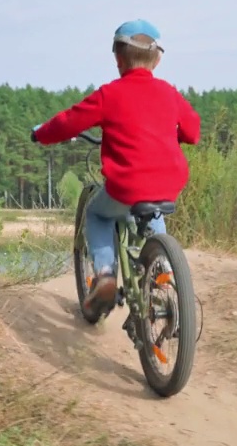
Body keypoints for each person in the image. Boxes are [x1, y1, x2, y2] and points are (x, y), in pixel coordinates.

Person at [31, 19, 200, 313]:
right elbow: (193, 132)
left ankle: (106, 275)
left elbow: (67, 122)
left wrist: (41, 133)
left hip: (126, 184)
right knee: (153, 205)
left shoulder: (110, 94)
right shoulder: (169, 93)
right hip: (171, 181)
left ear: (118, 59)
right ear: (157, 60)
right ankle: (162, 271)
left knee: (97, 214)